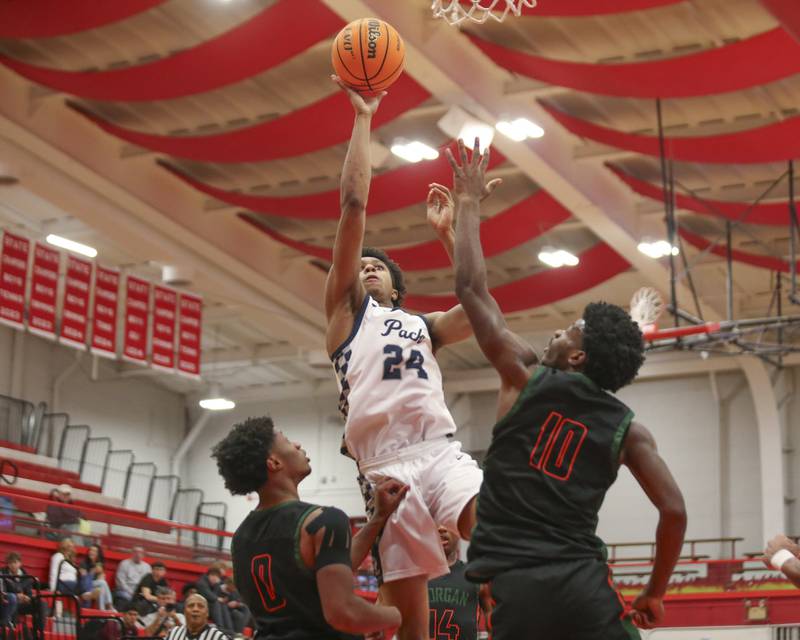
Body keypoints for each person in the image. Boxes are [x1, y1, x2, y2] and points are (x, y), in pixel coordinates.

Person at [447, 138, 688, 639]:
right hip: (583, 587)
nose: (557, 331)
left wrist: (468, 205)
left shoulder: (523, 376)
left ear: (578, 356)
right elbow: (674, 510)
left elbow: (472, 290)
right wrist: (655, 591)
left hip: (515, 592)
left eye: (569, 330)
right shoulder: (628, 429)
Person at [324, 76, 499, 640]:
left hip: (438, 450)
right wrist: (362, 117)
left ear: (397, 289)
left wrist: (452, 233)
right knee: (410, 627)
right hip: (384, 470)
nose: (368, 266)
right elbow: (353, 205)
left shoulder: (420, 326)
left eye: (379, 266)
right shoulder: (348, 320)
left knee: (500, 537)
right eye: (362, 265)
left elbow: (479, 308)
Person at [212, 416, 403, 639]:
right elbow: (344, 613)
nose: (297, 445)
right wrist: (399, 614)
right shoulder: (323, 521)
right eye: (287, 441)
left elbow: (333, 564)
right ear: (274, 463)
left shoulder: (241, 538)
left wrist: (378, 518)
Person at [427, 527, 485, 640]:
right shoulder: (412, 577)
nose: (442, 528)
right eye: (436, 521)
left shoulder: (475, 576)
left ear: (459, 532)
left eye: (448, 522)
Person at [49, 538, 98, 606]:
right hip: (62, 584)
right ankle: (86, 593)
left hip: (72, 585)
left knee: (86, 579)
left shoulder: (71, 561)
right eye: (68, 547)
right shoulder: (58, 556)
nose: (70, 549)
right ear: (64, 547)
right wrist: (53, 589)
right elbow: (53, 573)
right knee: (86, 589)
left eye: (72, 547)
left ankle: (86, 602)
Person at [79, 544, 114, 610]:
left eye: (94, 551)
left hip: (95, 585)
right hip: (85, 586)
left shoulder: (99, 564)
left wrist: (99, 572)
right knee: (102, 583)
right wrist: (93, 571)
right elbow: (84, 579)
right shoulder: (84, 563)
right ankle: (108, 605)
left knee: (102, 586)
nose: (91, 552)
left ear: (98, 554)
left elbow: (101, 578)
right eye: (91, 550)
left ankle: (102, 609)